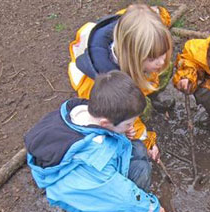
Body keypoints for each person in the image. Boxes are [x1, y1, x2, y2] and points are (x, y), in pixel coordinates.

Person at [24, 71, 166, 212]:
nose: (132, 126)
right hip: (81, 186)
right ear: (106, 123)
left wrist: (123, 132)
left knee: (137, 147)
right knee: (141, 170)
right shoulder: (95, 159)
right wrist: (150, 210)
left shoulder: (81, 111)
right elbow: (120, 195)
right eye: (129, 123)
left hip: (74, 168)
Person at [68, 4, 173, 159]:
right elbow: (126, 118)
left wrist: (157, 13)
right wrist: (147, 142)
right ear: (133, 59)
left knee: (166, 68)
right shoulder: (106, 85)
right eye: (153, 58)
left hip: (134, 72)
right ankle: (145, 101)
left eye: (163, 53)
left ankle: (154, 94)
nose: (161, 61)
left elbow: (148, 16)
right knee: (140, 108)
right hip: (112, 90)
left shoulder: (136, 24)